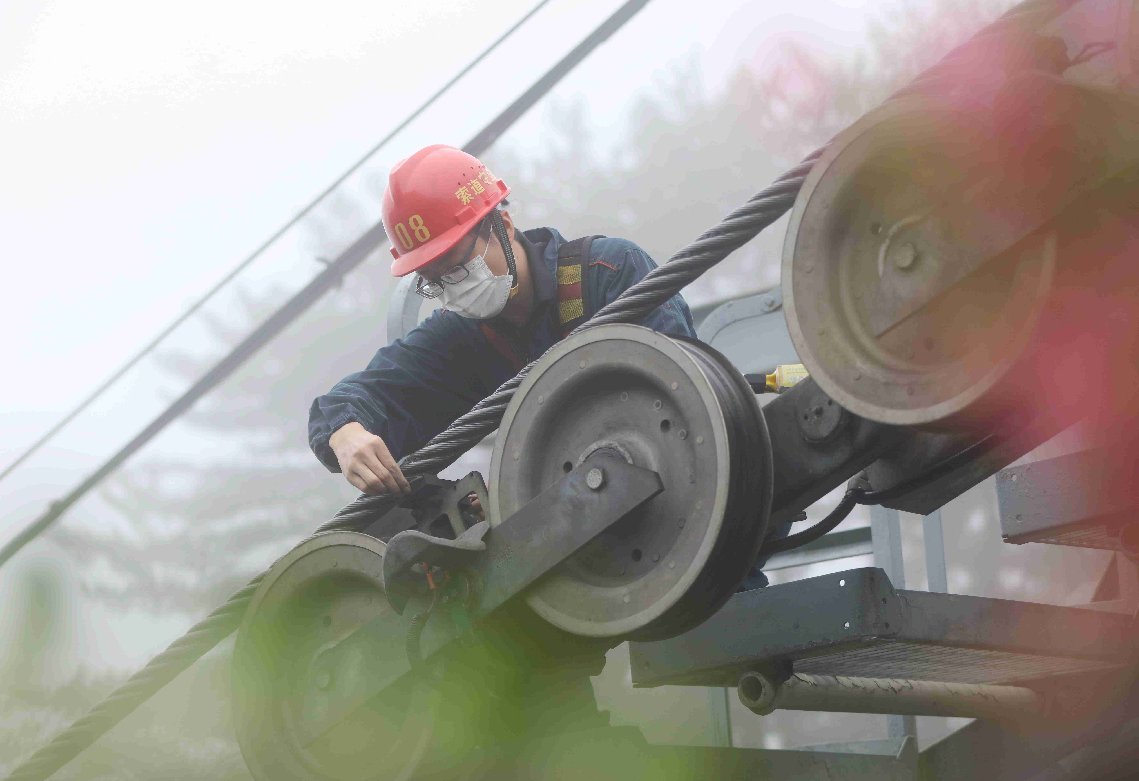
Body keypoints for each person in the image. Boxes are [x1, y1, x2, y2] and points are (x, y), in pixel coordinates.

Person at [308, 144, 696, 492]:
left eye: (457, 266)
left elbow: (686, 395)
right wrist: (345, 432)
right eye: (434, 281)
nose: (452, 287)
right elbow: (369, 394)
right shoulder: (460, 338)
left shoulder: (608, 273)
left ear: (504, 228)